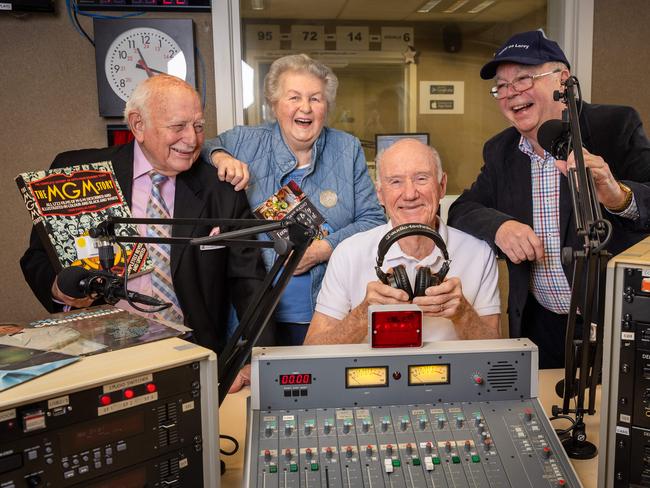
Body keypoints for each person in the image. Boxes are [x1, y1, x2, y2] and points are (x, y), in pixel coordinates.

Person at [20, 75, 267, 356]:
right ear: (139, 125)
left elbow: (250, 282)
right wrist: (57, 288)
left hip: (190, 352)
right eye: (178, 126)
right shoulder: (75, 172)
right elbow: (36, 259)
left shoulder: (221, 190)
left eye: (198, 126)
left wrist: (257, 360)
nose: (192, 139)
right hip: (97, 351)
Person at [448, 30, 650, 368]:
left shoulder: (615, 126)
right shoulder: (501, 150)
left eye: (524, 79)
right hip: (543, 327)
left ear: (563, 80)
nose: (512, 94)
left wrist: (619, 197)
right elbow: (461, 209)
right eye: (502, 86)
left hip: (615, 322)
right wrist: (501, 227)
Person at [201, 53, 386, 346]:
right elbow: (200, 146)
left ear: (327, 107)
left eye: (315, 98)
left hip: (329, 313)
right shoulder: (245, 141)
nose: (306, 108)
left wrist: (323, 249)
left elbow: (373, 220)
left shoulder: (346, 148)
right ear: (274, 104)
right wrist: (220, 156)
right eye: (294, 97)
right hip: (256, 315)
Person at [303, 138, 501, 345]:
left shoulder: (479, 253)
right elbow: (312, 348)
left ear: (442, 186)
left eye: (421, 179)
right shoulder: (348, 254)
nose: (409, 194)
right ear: (380, 194)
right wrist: (362, 315)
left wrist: (463, 314)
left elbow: (497, 352)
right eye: (395, 182)